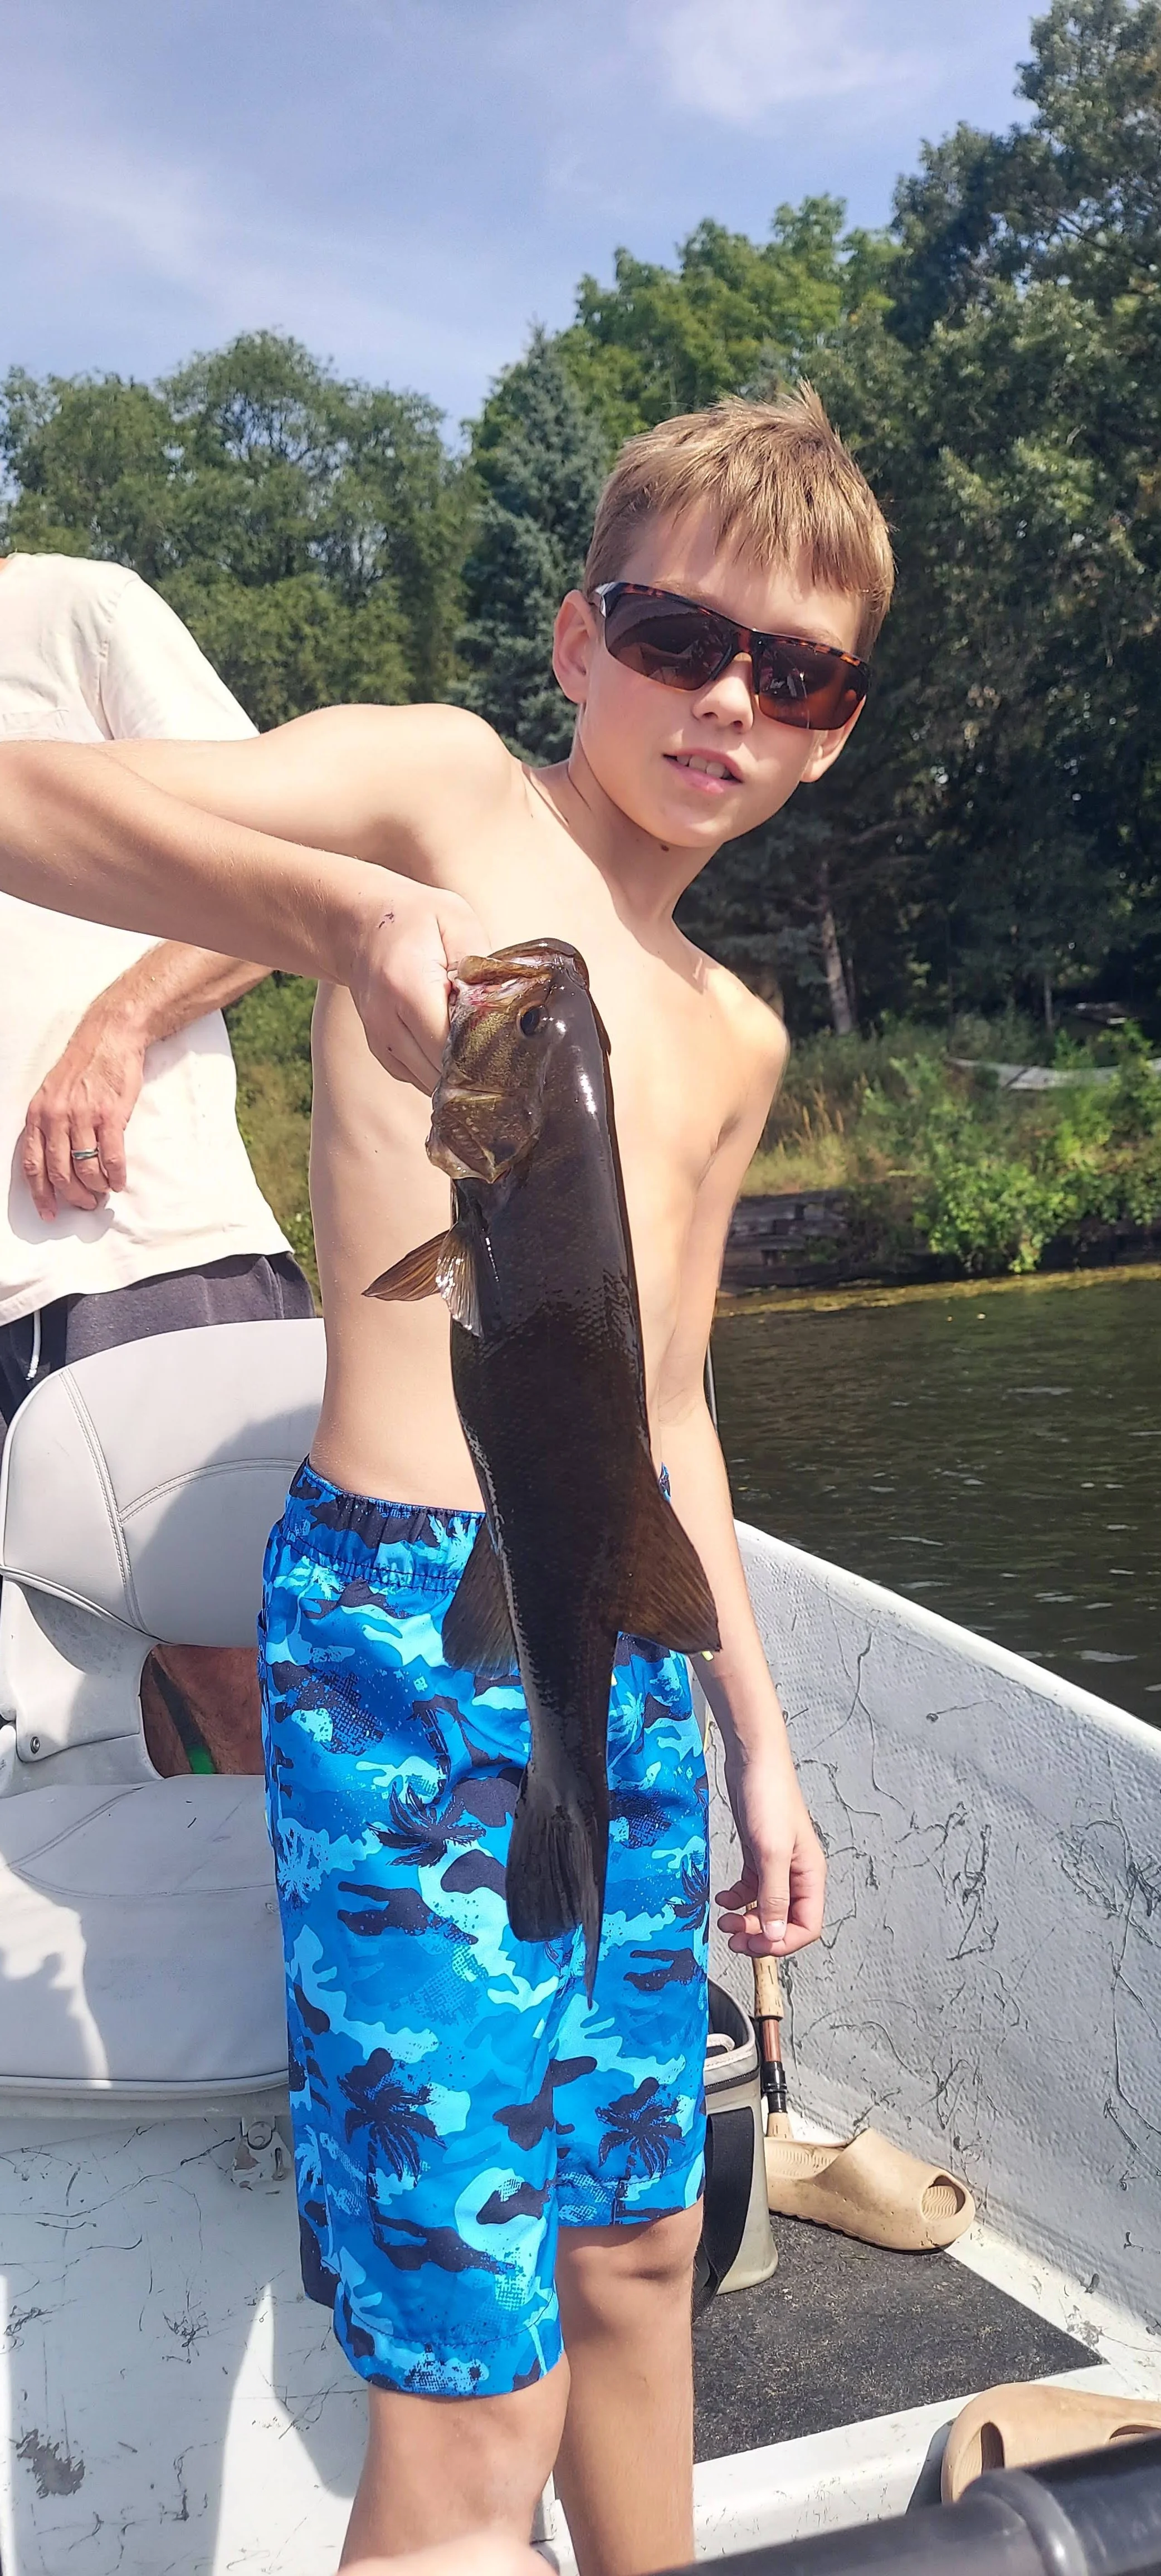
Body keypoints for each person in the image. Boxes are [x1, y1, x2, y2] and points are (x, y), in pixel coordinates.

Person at [0, 389, 892, 2575]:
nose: (722, 702)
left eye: (789, 674)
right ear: (578, 638)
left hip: (624, 1658)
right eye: (677, 636)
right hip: (405, 1646)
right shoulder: (428, 789)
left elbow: (668, 1414)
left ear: (828, 732)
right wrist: (337, 914)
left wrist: (759, 1753)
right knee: (475, 2405)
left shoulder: (737, 1032)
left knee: (631, 2263)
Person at [0, 551, 314, 1773]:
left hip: (138, 1252)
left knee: (251, 1686)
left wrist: (118, 1022)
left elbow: (297, 857)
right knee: (83, 1743)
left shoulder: (71, 611)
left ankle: (347, 1961)